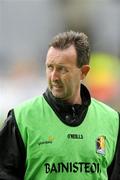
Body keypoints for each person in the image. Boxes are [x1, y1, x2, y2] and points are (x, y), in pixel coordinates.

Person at [0, 30, 119, 180]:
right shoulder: (21, 118)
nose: (54, 77)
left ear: (84, 72)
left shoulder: (111, 121)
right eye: (50, 67)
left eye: (62, 69)